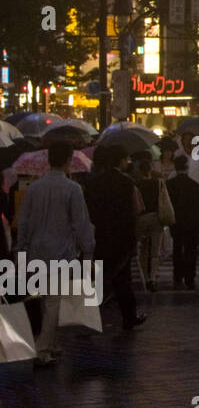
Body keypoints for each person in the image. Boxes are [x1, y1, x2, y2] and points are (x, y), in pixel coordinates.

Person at [13, 140, 94, 366]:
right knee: (54, 303)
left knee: (43, 300)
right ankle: (43, 348)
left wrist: (21, 249)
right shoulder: (73, 189)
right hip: (61, 253)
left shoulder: (34, 188)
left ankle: (51, 344)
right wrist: (88, 249)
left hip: (35, 252)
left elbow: (25, 221)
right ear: (68, 161)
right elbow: (80, 223)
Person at [83, 144, 147, 330]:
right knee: (122, 278)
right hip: (122, 236)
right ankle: (129, 316)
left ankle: (89, 317)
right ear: (119, 160)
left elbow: (86, 210)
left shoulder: (93, 183)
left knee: (97, 277)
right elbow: (137, 210)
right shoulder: (127, 183)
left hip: (100, 235)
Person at [166, 154, 199, 291]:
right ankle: (190, 279)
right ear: (187, 167)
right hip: (192, 221)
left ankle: (177, 277)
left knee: (177, 248)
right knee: (191, 249)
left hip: (176, 221)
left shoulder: (169, 185)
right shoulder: (196, 185)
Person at [131, 154, 167, 292]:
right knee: (155, 250)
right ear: (150, 169)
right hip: (156, 217)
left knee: (143, 249)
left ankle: (144, 277)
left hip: (141, 218)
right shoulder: (157, 183)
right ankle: (152, 278)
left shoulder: (136, 185)